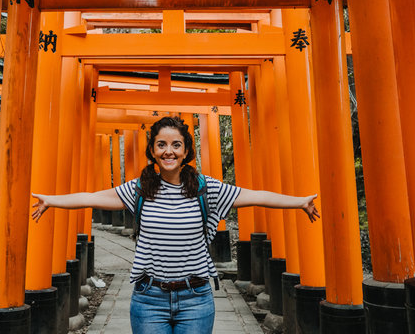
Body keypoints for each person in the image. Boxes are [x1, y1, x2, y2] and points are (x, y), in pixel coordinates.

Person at [32, 116, 319, 334]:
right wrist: (51, 200)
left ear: (185, 151)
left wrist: (299, 202)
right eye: (162, 145)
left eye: (175, 145)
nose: (168, 151)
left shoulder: (207, 189)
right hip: (148, 298)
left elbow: (255, 195)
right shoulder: (141, 189)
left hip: (195, 297)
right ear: (153, 151)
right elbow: (92, 197)